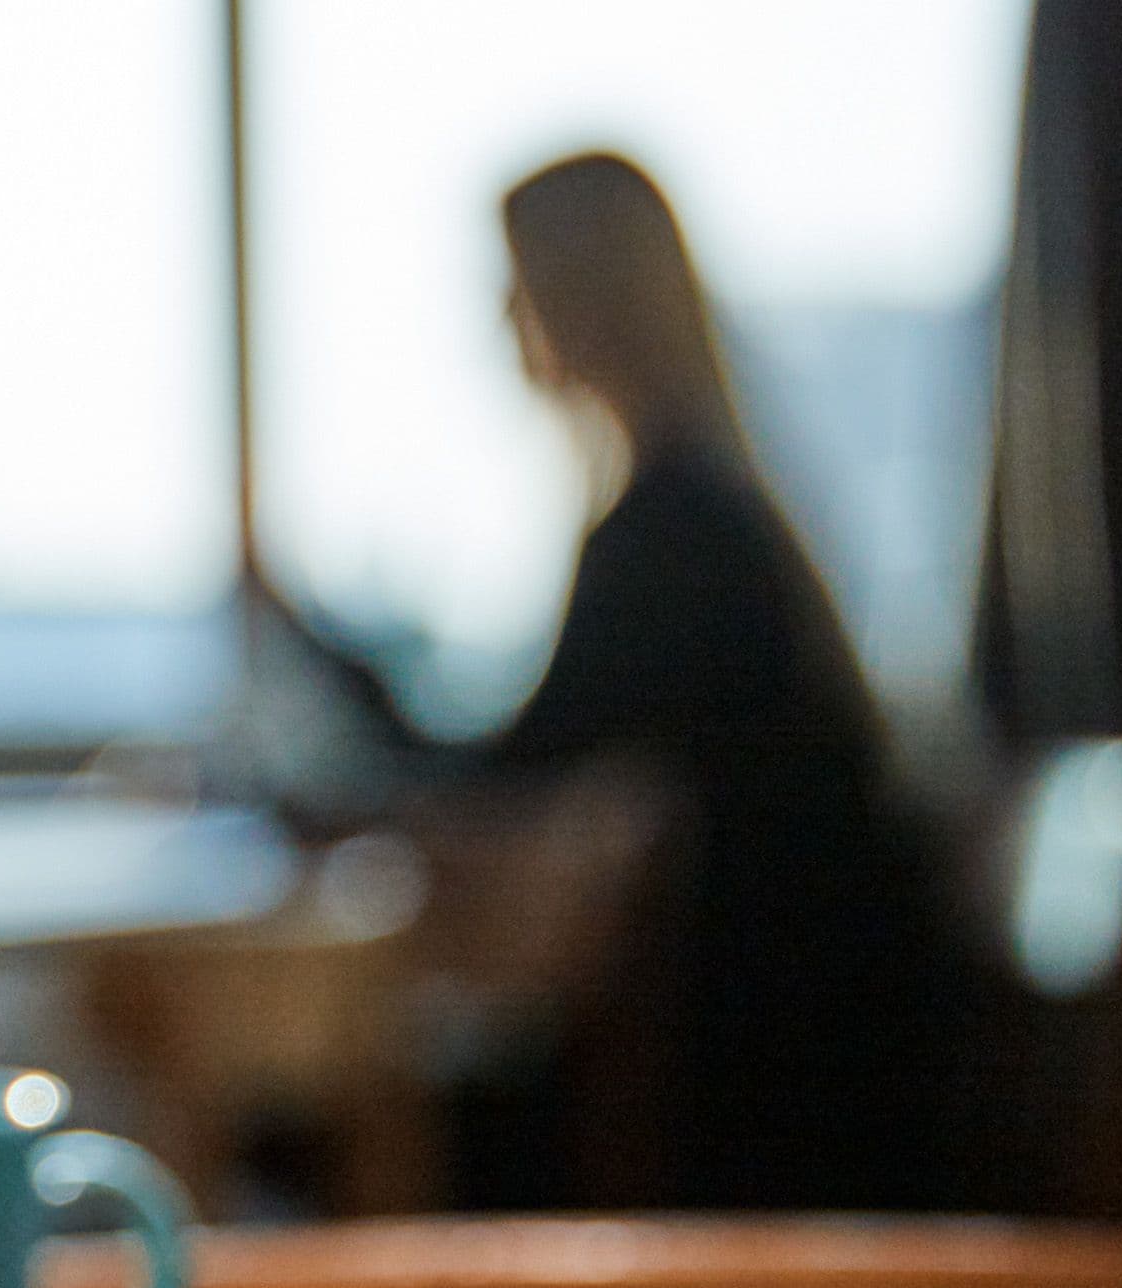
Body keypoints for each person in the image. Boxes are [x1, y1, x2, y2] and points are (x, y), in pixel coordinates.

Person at [255, 149, 960, 1208]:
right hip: (786, 1063)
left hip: (752, 1094)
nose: (500, 320)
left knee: (310, 1128)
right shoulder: (705, 512)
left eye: (515, 282)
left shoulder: (664, 534)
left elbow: (506, 776)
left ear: (580, 295)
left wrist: (317, 676)